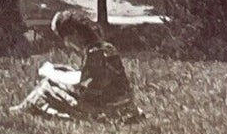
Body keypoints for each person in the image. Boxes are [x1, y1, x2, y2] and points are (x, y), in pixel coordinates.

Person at [9, 10, 141, 121]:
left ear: (75, 35)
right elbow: (96, 78)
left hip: (109, 110)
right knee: (62, 70)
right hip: (125, 105)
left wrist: (55, 76)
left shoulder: (94, 53)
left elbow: (88, 92)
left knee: (46, 86)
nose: (67, 45)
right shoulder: (105, 47)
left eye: (66, 39)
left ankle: (23, 109)